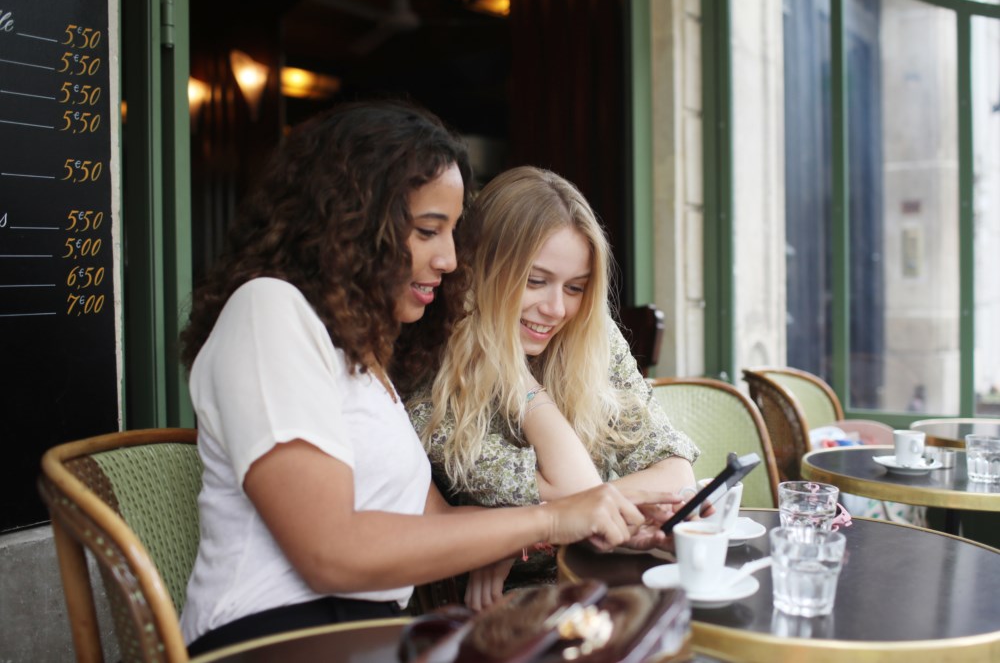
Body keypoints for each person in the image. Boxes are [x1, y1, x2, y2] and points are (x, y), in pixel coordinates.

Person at [177, 102, 678, 655]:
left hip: (368, 634)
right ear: (352, 221)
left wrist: (557, 529)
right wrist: (552, 519)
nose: (449, 259)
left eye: (453, 233)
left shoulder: (364, 361)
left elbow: (435, 520)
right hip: (274, 637)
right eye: (428, 231)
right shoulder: (268, 310)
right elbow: (329, 552)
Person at [408, 166, 702, 608]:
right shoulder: (432, 366)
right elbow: (582, 493)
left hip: (603, 581)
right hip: (507, 611)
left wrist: (524, 531)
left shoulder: (590, 333)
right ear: (483, 268)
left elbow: (675, 474)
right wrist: (523, 384)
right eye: (535, 281)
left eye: (576, 287)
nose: (557, 309)